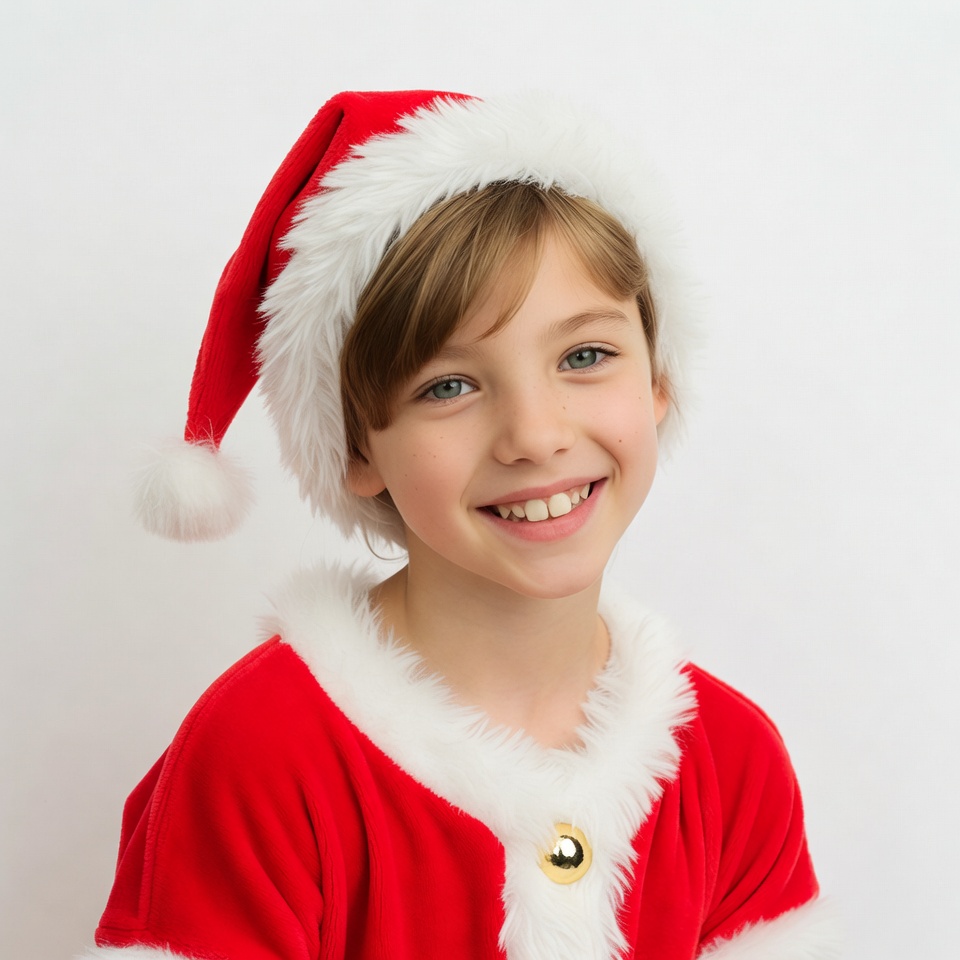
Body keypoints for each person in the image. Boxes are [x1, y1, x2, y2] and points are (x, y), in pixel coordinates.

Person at [79, 90, 840, 959]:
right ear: (357, 448)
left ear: (658, 381)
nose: (537, 435)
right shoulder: (263, 754)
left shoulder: (734, 760)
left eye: (584, 356)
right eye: (449, 385)